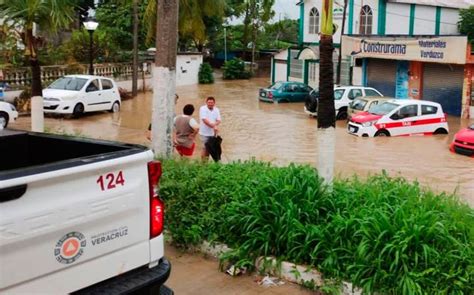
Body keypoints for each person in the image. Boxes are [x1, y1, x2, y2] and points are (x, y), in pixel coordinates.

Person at [199, 96, 221, 161]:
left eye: (212, 103)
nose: (210, 104)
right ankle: (203, 164)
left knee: (212, 148)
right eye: (209, 102)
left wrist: (215, 125)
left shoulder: (216, 109)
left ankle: (209, 162)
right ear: (206, 102)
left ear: (214, 103)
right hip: (204, 133)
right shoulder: (202, 108)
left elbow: (219, 120)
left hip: (213, 133)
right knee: (205, 148)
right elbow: (204, 120)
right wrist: (214, 126)